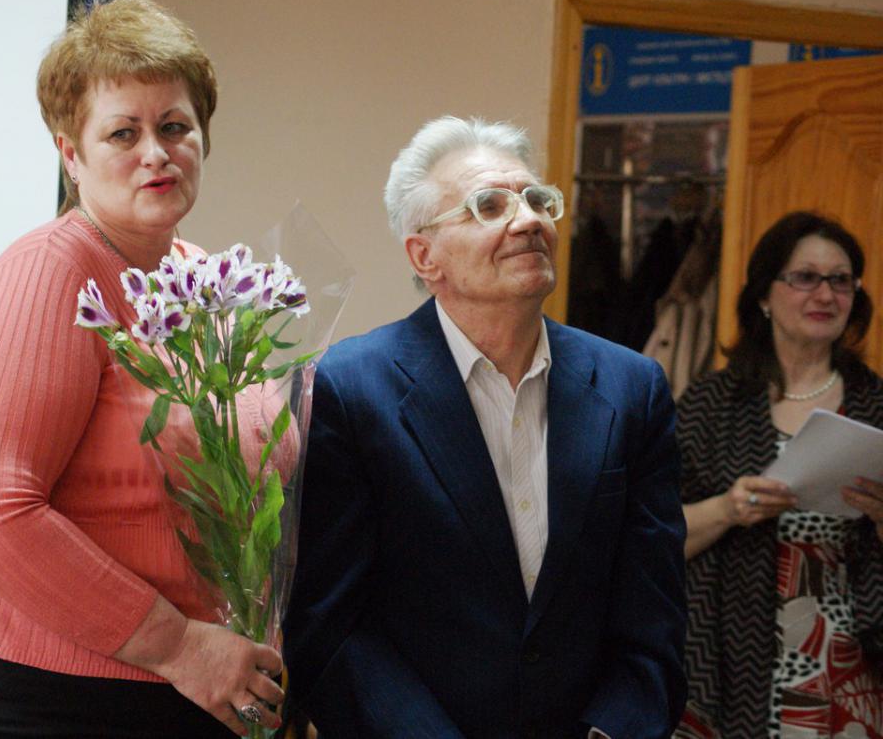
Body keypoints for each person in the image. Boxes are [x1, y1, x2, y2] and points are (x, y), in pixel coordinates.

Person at [0, 0, 284, 738]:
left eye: (175, 127)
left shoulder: (205, 279)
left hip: (197, 687)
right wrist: (179, 646)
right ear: (70, 154)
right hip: (44, 700)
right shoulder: (49, 272)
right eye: (124, 132)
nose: (156, 152)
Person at [283, 116, 687, 738]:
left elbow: (653, 614)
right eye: (489, 206)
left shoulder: (631, 388)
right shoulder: (349, 388)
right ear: (425, 257)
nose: (528, 221)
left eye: (537, 200)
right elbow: (332, 624)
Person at [676, 211, 883, 738]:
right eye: (805, 277)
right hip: (722, 663)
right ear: (764, 296)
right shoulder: (710, 404)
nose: (825, 294)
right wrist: (728, 509)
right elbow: (650, 540)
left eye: (841, 280)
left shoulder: (876, 405)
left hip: (846, 664)